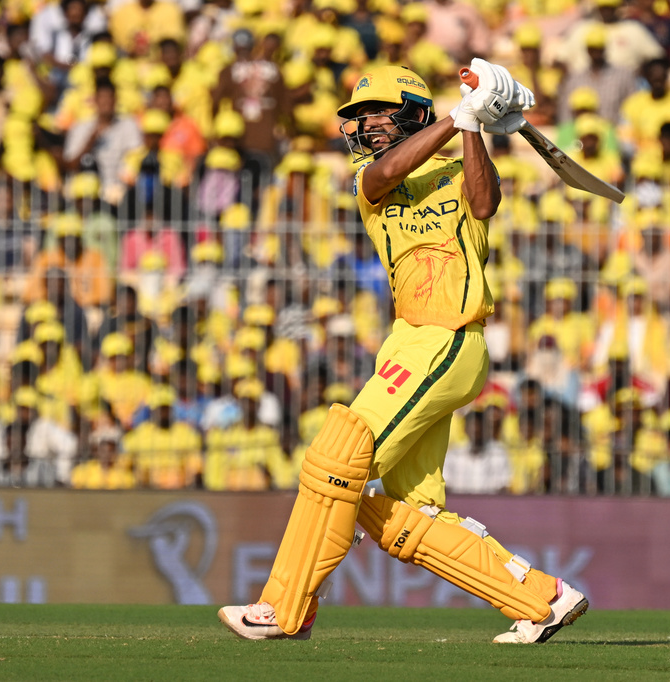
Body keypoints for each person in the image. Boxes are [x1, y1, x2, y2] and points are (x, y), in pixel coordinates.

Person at [219, 63, 587, 644]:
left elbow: (485, 204)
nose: (364, 125)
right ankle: (539, 598)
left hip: (448, 336)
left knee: (338, 458)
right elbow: (384, 174)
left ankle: (285, 608)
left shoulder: (458, 163)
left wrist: (473, 125)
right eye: (358, 117)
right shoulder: (371, 176)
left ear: (411, 111)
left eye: (376, 112)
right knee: (401, 511)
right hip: (410, 339)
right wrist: (458, 115)